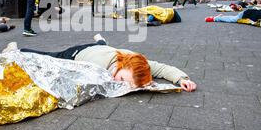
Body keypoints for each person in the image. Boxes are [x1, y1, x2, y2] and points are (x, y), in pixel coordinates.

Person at [21, 35, 197, 92]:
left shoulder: (135, 61)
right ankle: (18, 50)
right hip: (76, 54)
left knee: (102, 46)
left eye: (127, 85)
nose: (119, 83)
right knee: (48, 57)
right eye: (121, 79)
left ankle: (101, 41)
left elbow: (162, 68)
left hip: (104, 50)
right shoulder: (96, 66)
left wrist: (181, 78)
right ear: (121, 66)